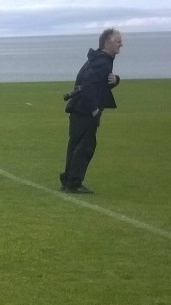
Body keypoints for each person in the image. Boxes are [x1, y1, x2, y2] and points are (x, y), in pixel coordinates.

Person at [61, 29, 123, 194]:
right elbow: (88, 85)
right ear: (108, 43)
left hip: (78, 109)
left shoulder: (97, 59)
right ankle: (74, 183)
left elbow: (97, 84)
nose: (121, 45)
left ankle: (68, 180)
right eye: (118, 42)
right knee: (84, 147)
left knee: (75, 145)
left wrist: (115, 80)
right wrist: (94, 109)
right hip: (85, 111)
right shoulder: (102, 62)